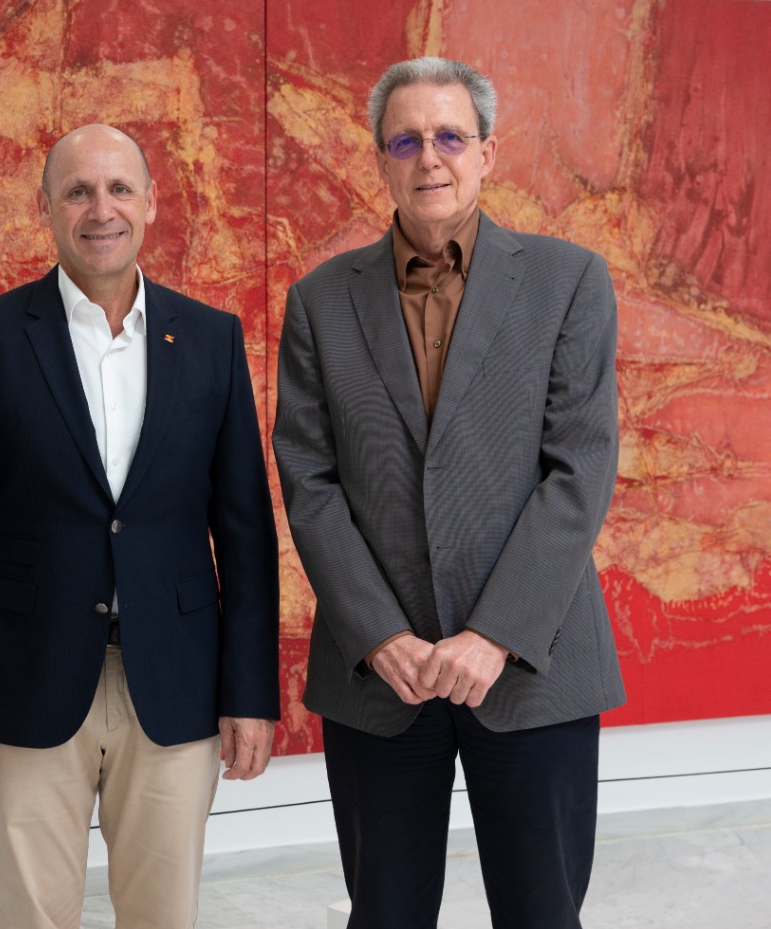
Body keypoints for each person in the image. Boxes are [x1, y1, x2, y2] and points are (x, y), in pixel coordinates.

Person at [273, 57, 625, 928]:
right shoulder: (320, 299)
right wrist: (379, 631)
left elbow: (578, 469)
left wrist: (494, 635)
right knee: (385, 913)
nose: (429, 157)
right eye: (405, 139)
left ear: (487, 153)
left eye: (449, 136)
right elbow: (309, 481)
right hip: (378, 676)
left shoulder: (568, 281)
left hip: (532, 666)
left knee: (543, 913)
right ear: (380, 159)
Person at [0, 123, 280, 928]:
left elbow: (245, 530)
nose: (99, 208)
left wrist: (251, 691)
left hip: (175, 688)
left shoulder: (211, 339)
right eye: (78, 190)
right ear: (45, 208)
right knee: (32, 915)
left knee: (163, 915)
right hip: (24, 683)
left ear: (150, 203)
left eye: (118, 189)